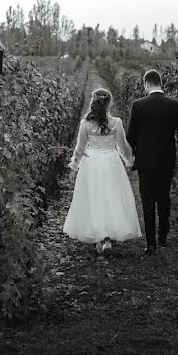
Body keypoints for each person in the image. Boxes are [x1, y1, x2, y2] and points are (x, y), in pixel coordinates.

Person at [63, 88, 142, 257]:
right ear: (108, 103)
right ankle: (107, 239)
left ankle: (99, 238)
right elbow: (122, 146)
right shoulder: (116, 122)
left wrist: (74, 166)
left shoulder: (85, 123)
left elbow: (80, 148)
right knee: (111, 197)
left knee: (94, 198)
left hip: (91, 162)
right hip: (111, 162)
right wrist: (130, 161)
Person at [126, 69, 178, 255]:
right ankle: (163, 236)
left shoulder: (138, 105)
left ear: (146, 84)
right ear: (161, 83)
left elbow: (130, 136)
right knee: (163, 198)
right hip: (166, 160)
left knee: (147, 201)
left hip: (145, 161)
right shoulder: (175, 106)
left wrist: (133, 157)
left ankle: (151, 243)